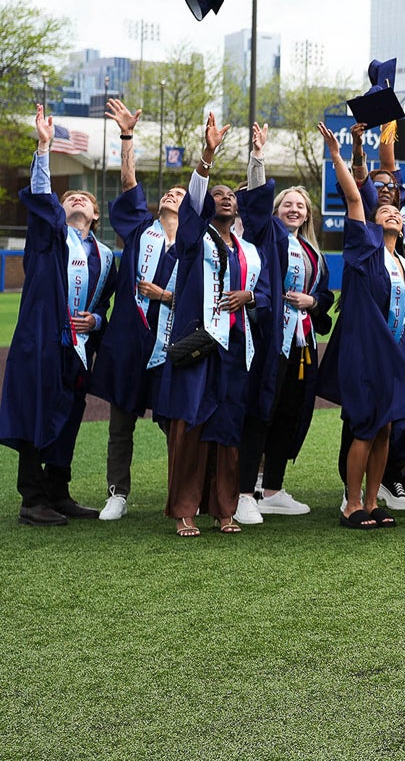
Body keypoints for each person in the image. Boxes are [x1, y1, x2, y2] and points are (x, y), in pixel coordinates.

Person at [150, 112, 264, 536]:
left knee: (228, 428)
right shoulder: (193, 240)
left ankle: (224, 509)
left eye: (230, 195)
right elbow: (191, 207)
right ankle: (184, 509)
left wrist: (249, 295)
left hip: (234, 346)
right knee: (191, 426)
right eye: (217, 195)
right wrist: (207, 158)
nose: (226, 198)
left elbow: (264, 292)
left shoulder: (247, 250)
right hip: (200, 342)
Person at [1, 105, 114, 526]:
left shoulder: (106, 257)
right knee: (36, 411)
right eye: (68, 199)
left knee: (68, 417)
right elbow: (43, 200)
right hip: (44, 340)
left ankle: (58, 491)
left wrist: (97, 323)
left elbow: (106, 306)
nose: (76, 200)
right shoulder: (48, 239)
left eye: (84, 198)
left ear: (97, 215)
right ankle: (32, 499)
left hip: (79, 349)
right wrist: (44, 148)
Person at [317, 122, 405, 530]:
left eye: (396, 212)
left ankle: (372, 499)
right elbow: (353, 195)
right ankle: (351, 504)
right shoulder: (364, 250)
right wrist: (338, 154)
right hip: (366, 355)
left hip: (395, 357)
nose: (392, 214)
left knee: (385, 430)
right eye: (384, 211)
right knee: (366, 428)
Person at [238, 123, 336, 519]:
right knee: (263, 409)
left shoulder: (315, 253)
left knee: (290, 412)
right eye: (287, 205)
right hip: (270, 339)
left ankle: (274, 487)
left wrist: (313, 301)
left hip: (304, 344)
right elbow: (256, 206)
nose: (294, 210)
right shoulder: (269, 237)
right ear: (276, 212)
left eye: (300, 206)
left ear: (307, 215)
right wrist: (258, 158)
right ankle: (246, 491)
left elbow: (326, 297)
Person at [89, 99, 175, 522]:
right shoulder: (143, 230)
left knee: (175, 422)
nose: (171, 196)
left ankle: (182, 493)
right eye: (167, 193)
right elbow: (128, 186)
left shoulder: (197, 247)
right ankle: (117, 493)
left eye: (180, 194)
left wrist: (165, 297)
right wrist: (127, 137)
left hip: (170, 344)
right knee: (120, 424)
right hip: (130, 340)